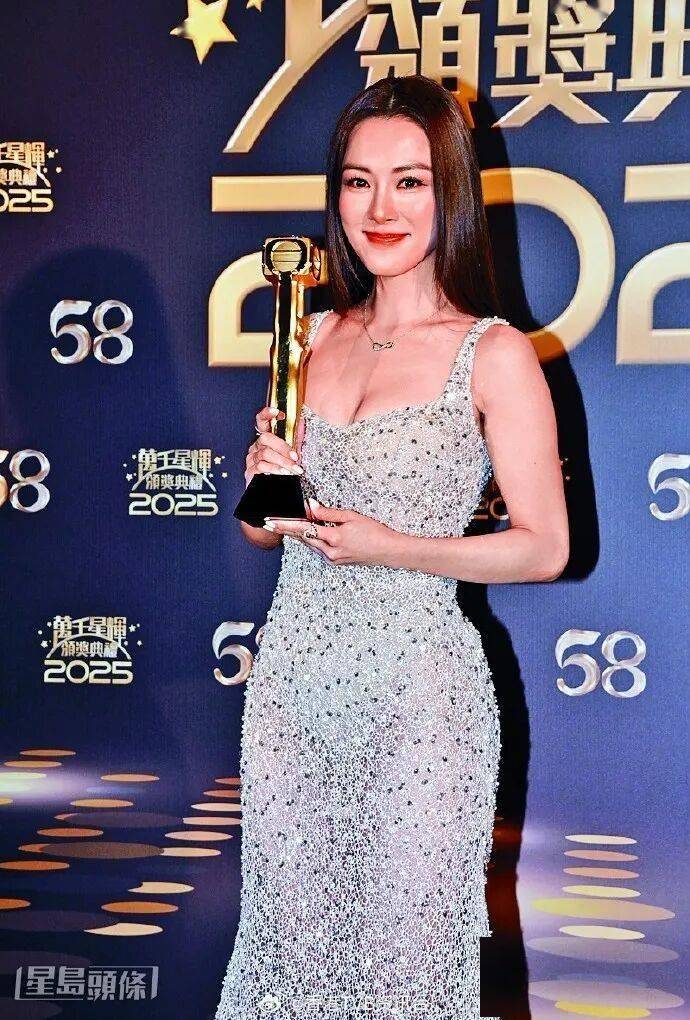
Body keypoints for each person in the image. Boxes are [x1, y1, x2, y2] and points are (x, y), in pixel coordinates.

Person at [214, 74, 569, 1020]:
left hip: (419, 700)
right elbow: (262, 529)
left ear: (448, 192)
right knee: (288, 958)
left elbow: (543, 548)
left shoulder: (493, 352)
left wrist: (394, 547)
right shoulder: (310, 334)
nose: (380, 208)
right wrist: (264, 479)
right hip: (292, 693)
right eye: (358, 181)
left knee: (405, 970)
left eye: (409, 181)